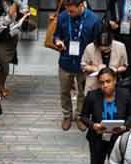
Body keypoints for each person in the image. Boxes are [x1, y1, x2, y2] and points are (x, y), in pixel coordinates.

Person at [80, 68, 131, 164]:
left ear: (115, 80)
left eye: (108, 81)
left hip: (117, 137)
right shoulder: (92, 96)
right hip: (98, 137)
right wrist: (93, 125)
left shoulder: (125, 94)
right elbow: (83, 116)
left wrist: (125, 126)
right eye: (102, 82)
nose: (105, 85)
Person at [52, 0, 102, 131]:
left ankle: (80, 116)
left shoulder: (94, 20)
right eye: (67, 10)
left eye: (72, 11)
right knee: (64, 91)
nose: (69, 13)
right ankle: (67, 115)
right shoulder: (63, 16)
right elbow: (56, 35)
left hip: (84, 64)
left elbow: (98, 44)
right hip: (65, 61)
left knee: (82, 92)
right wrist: (58, 41)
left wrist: (95, 64)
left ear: (81, 6)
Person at [0, 0, 22, 97]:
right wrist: (9, 15)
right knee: (4, 66)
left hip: (12, 37)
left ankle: (1, 85)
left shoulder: (14, 2)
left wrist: (24, 14)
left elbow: (18, 17)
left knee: (6, 65)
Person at [107, 0, 131, 73]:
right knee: (116, 59)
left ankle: (130, 81)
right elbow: (109, 11)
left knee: (130, 61)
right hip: (116, 33)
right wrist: (110, 22)